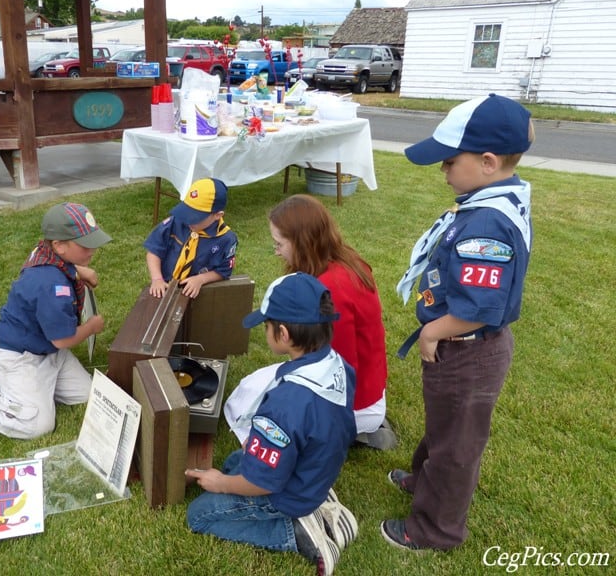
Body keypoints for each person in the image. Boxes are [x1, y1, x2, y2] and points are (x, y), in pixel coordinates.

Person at [382, 94, 535, 551]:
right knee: (443, 424)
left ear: (488, 161)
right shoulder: (490, 197)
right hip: (463, 344)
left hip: (467, 348)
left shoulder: (486, 224)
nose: (443, 169)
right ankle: (423, 480)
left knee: (456, 446)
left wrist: (432, 330)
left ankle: (436, 528)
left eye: (449, 160)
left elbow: (477, 307)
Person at [186, 272, 358, 576]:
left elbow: (264, 483)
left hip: (287, 493)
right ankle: (317, 501)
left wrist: (222, 484)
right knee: (234, 460)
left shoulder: (284, 406)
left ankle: (297, 533)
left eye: (265, 326)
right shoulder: (337, 364)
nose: (264, 332)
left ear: (283, 333)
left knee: (199, 515)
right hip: (314, 469)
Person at [0, 202, 111, 439]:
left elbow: (59, 265)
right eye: (85, 246)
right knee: (36, 426)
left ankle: (24, 390)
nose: (92, 251)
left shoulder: (46, 253)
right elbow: (62, 340)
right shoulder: (51, 286)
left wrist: (78, 270)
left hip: (47, 353)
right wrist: (91, 327)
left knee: (88, 394)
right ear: (59, 245)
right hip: (17, 358)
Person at [268, 194, 394, 449]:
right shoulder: (347, 260)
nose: (277, 251)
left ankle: (350, 433)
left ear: (302, 242)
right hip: (369, 389)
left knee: (262, 411)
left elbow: (338, 367)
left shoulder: (328, 290)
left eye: (280, 243)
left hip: (354, 404)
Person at [144, 177, 237, 299]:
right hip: (165, 285)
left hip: (198, 292)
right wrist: (157, 279)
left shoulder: (226, 239)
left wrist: (201, 279)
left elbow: (224, 270)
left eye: (196, 217)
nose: (188, 220)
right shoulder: (176, 222)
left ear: (217, 215)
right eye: (187, 212)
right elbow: (154, 251)